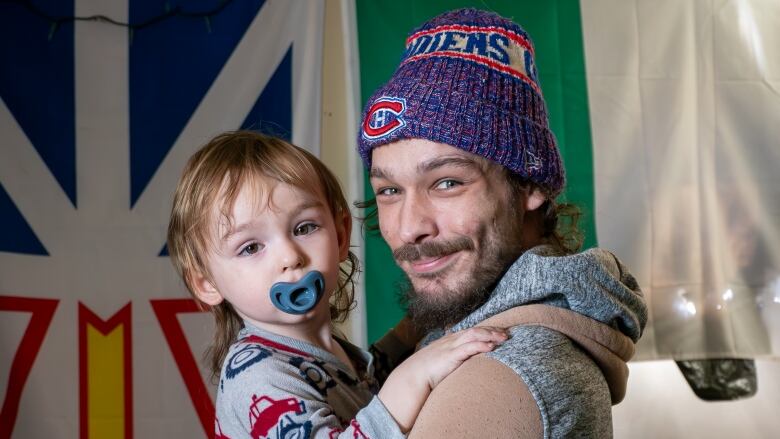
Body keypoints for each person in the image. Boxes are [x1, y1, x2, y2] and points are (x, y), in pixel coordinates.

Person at [357, 8, 649, 438]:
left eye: (447, 182)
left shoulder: (496, 378)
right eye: (389, 190)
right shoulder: (457, 335)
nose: (406, 229)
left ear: (530, 182)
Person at [166, 131, 508, 438]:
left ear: (341, 235)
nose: (290, 256)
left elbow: (355, 388)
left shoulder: (325, 352)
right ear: (207, 282)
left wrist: (412, 332)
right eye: (251, 247)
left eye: (304, 228)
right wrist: (413, 379)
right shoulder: (259, 376)